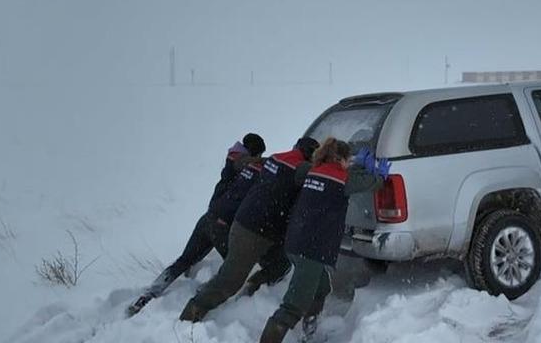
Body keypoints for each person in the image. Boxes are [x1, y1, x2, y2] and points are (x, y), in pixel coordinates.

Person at [259, 138, 389, 343]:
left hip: (295, 242)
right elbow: (372, 183)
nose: (349, 163)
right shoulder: (341, 178)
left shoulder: (315, 170)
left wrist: (357, 166)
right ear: (340, 159)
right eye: (348, 159)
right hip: (311, 248)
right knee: (293, 306)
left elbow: (344, 178)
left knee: (321, 288)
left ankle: (309, 333)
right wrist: (379, 175)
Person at [179, 137, 321, 322]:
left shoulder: (274, 159)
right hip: (253, 230)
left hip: (255, 226)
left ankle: (251, 289)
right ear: (310, 156)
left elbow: (245, 163)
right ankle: (190, 315)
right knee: (230, 279)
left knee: (280, 264)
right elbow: (325, 179)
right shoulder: (300, 168)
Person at [125, 133, 266, 317]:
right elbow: (246, 164)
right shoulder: (240, 161)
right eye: (259, 154)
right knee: (234, 266)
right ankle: (204, 295)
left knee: (184, 260)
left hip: (208, 219)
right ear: (253, 151)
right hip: (222, 225)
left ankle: (149, 294)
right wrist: (268, 163)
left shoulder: (233, 159)